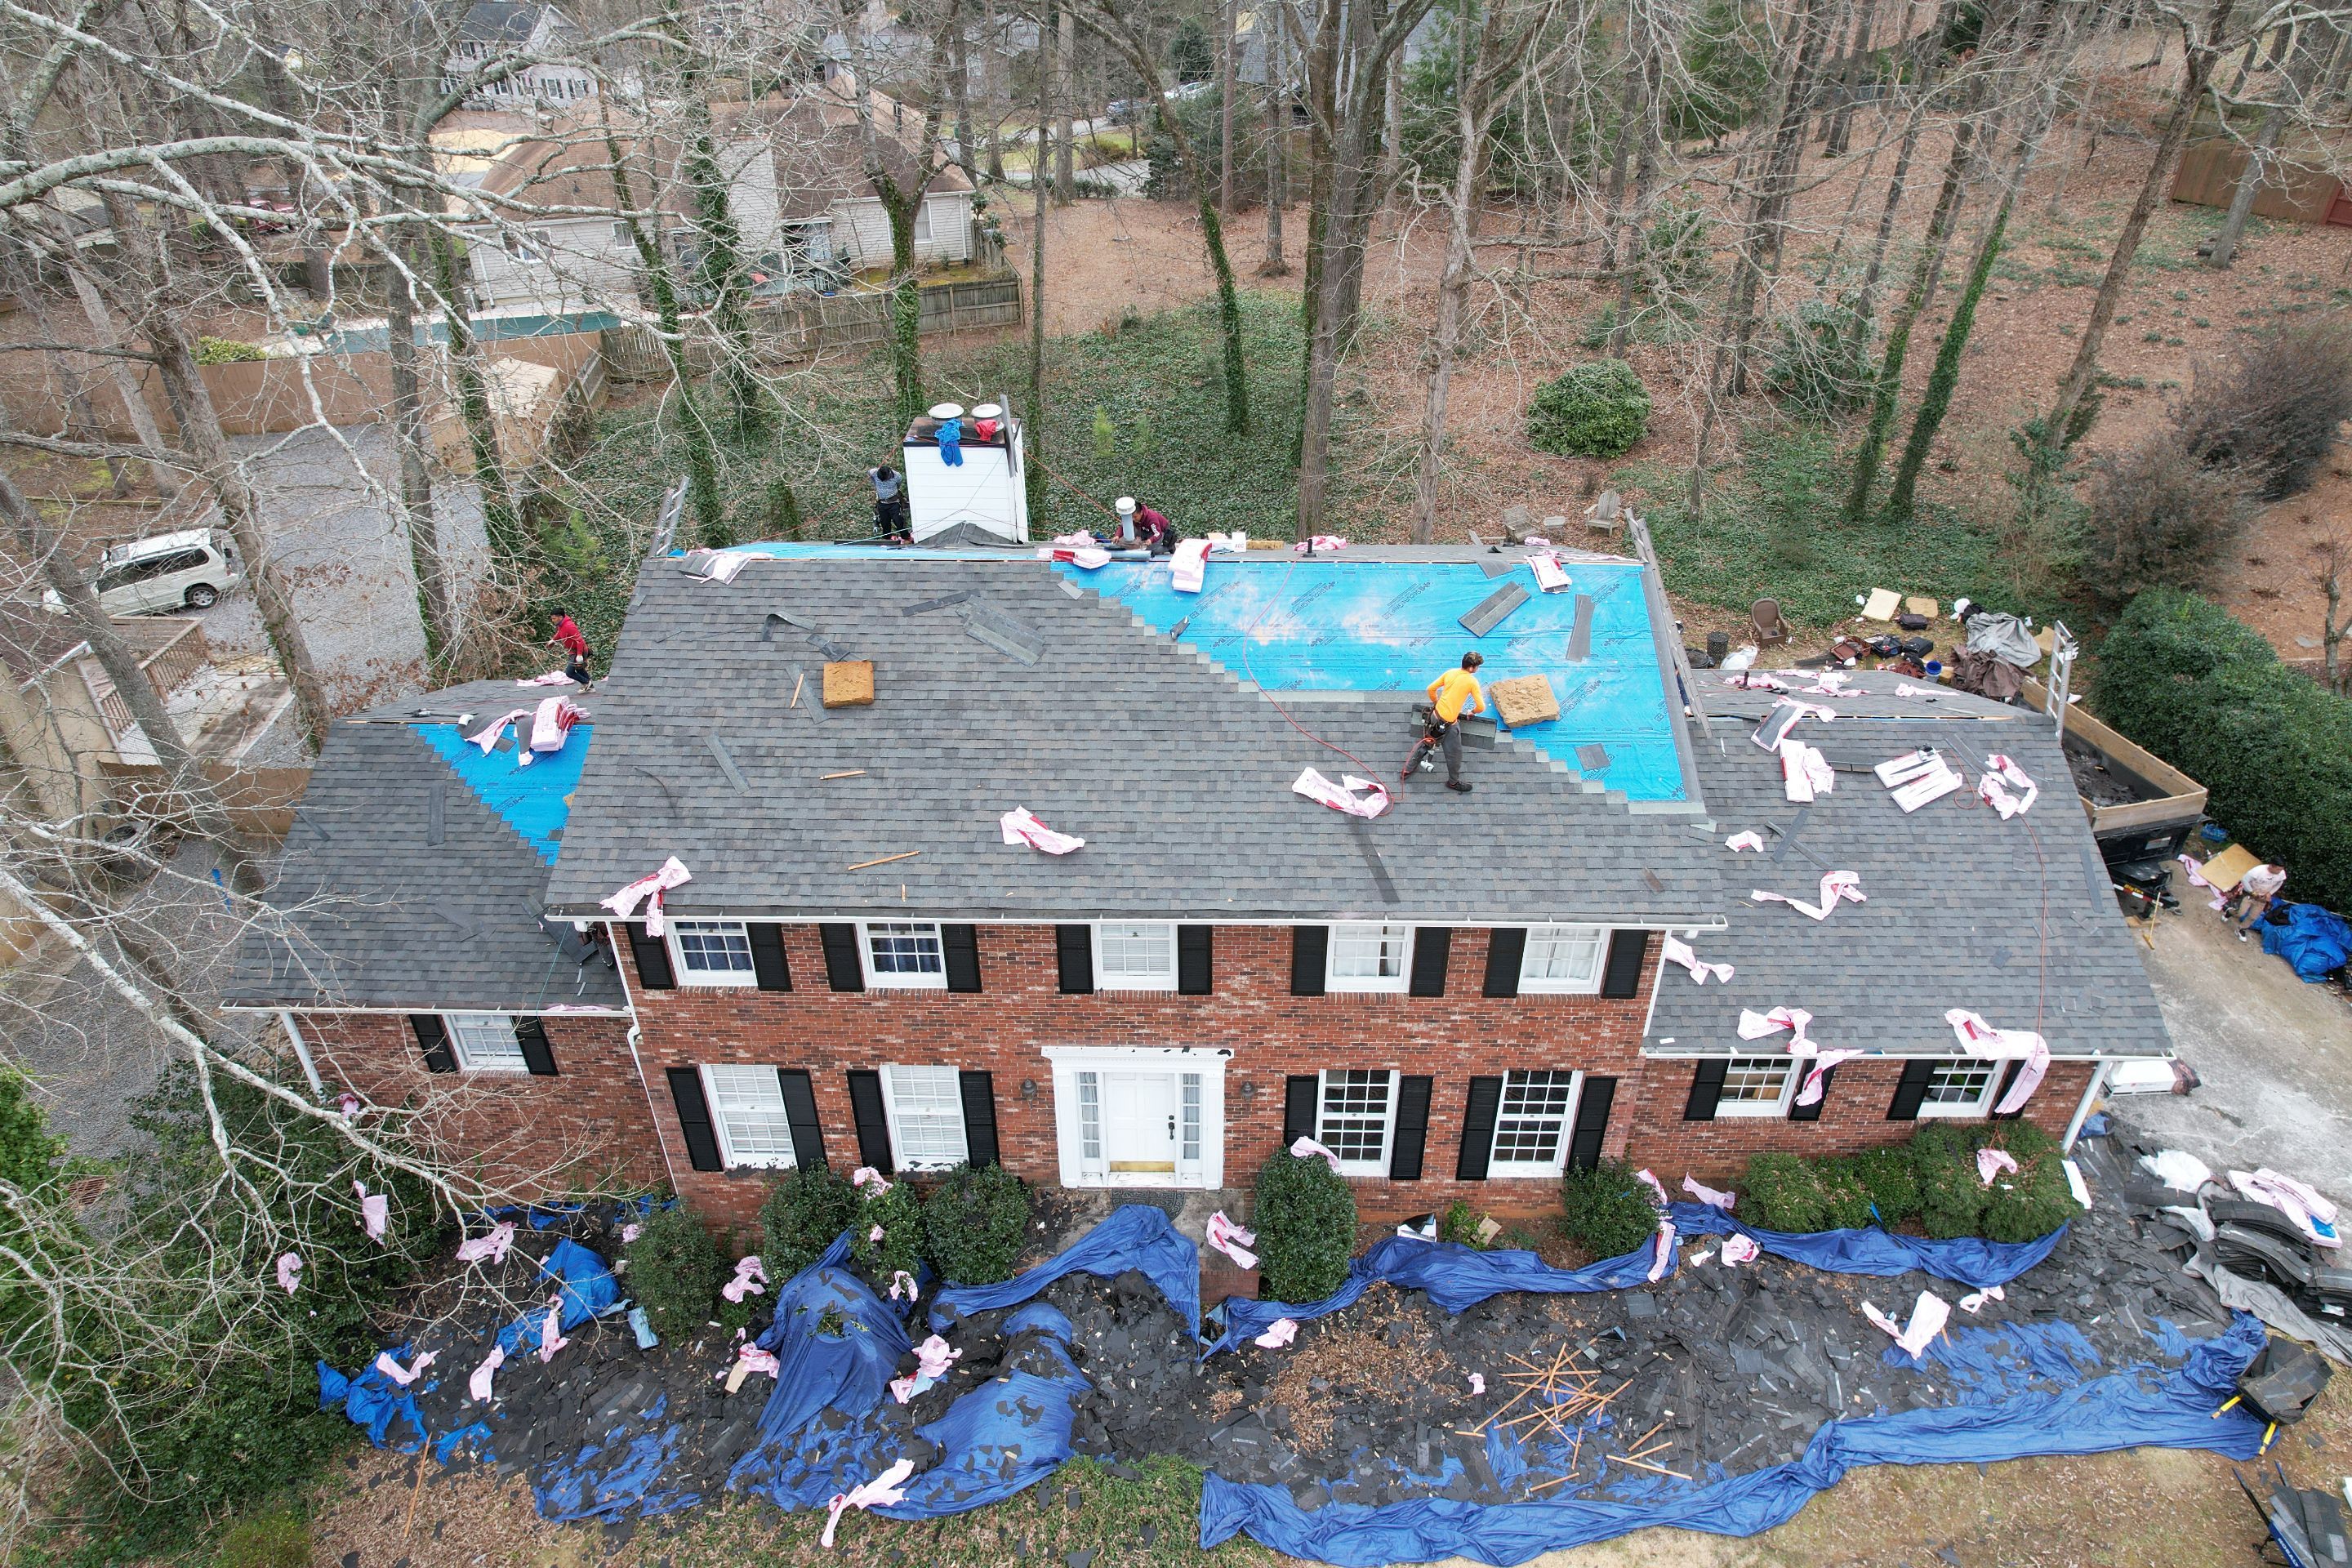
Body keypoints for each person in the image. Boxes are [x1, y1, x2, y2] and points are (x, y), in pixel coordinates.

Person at [1405, 652, 1485, 795]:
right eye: (1477, 666)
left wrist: (1436, 702)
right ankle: (1453, 782)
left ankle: (1407, 769)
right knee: (1455, 755)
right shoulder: (1472, 682)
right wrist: (1472, 711)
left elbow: (1431, 689)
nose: (1478, 669)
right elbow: (1481, 707)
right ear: (1472, 668)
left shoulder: (1451, 673)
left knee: (1427, 742)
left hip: (1435, 715)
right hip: (1448, 724)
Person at [2231, 862, 2287, 942]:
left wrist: (2270, 893)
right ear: (2271, 866)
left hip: (2262, 898)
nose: (2280, 871)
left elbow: (2279, 883)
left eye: (2281, 869)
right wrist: (2252, 892)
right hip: (2249, 894)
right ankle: (2230, 912)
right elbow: (2244, 880)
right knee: (2240, 913)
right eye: (2278, 869)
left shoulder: (2281, 873)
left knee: (2253, 917)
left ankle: (2241, 929)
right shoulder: (2258, 871)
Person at [549, 608, 593, 689]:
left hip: (580, 650)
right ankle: (590, 686)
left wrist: (579, 655)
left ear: (560, 617)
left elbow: (579, 640)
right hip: (573, 651)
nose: (553, 620)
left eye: (554, 618)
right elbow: (560, 633)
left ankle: (587, 683)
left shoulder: (569, 626)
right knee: (580, 669)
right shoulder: (561, 625)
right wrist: (553, 640)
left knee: (569, 672)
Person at [871, 464, 911, 544]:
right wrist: (875, 483)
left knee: (899, 521)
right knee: (885, 522)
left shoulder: (897, 476)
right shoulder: (874, 472)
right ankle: (887, 538)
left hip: (894, 503)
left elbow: (898, 485)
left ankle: (906, 537)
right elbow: (870, 475)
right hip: (882, 503)